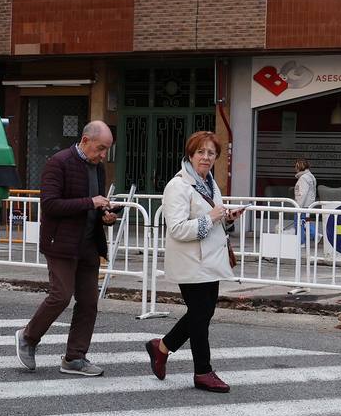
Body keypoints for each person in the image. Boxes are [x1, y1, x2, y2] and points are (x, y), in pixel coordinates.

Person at [14, 121, 119, 377]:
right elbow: (50, 204)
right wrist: (89, 202)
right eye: (100, 148)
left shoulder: (98, 168)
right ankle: (28, 337)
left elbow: (94, 203)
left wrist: (106, 213)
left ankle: (75, 357)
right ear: (85, 141)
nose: (103, 155)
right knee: (61, 295)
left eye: (107, 149)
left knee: (89, 301)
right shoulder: (58, 162)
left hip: (89, 243)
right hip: (60, 242)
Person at [144, 131, 241, 393]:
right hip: (191, 262)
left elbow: (212, 216)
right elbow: (176, 228)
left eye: (211, 153)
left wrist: (228, 216)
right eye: (201, 152)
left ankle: (161, 347)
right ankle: (203, 372)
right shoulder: (178, 185)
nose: (206, 158)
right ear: (190, 154)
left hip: (210, 260)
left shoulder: (209, 182)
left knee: (203, 313)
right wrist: (211, 217)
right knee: (200, 315)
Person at [293, 158, 317, 241]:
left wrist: (298, 207)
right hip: (308, 205)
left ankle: (301, 242)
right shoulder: (311, 176)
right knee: (306, 222)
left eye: (296, 166)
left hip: (302, 206)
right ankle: (315, 235)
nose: (295, 169)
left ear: (299, 167)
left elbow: (302, 194)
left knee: (298, 224)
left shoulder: (303, 178)